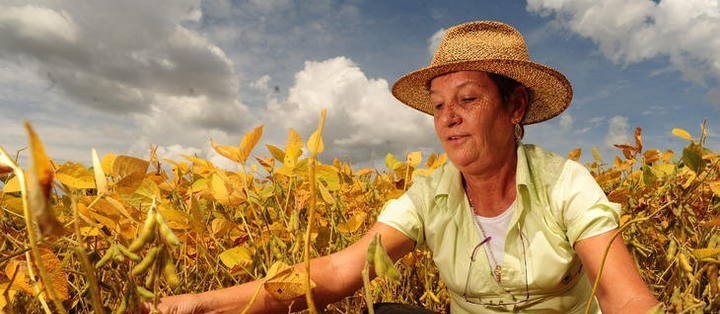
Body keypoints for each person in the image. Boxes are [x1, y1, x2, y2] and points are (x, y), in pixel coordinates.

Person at [147, 21, 659, 314]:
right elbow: (335, 273)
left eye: (469, 98)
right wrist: (200, 302)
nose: (449, 118)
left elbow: (627, 298)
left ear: (515, 107)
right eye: (439, 105)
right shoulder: (431, 193)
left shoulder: (565, 184)